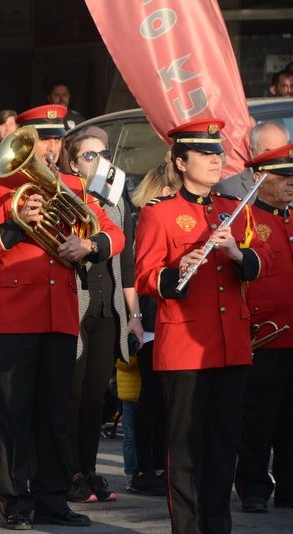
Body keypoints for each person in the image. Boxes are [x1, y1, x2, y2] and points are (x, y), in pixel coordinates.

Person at [0, 104, 125, 529]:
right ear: (25, 141)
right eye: (43, 138)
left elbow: (115, 233)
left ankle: (54, 499)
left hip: (61, 315)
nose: (51, 146)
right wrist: (17, 224)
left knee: (56, 412)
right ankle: (16, 500)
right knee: (16, 413)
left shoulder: (74, 183)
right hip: (15, 315)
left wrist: (89, 246)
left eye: (57, 138)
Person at [134, 118, 270, 534]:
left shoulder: (235, 210)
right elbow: (145, 277)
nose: (216, 160)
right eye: (206, 154)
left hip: (231, 346)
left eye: (218, 153)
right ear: (180, 161)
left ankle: (218, 526)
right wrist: (178, 271)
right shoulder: (160, 213)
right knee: (186, 449)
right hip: (186, 349)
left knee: (222, 446)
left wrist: (235, 253)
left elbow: (261, 265)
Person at [64, 133, 143, 504]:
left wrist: (135, 315)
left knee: (96, 397)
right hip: (75, 307)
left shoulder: (117, 198)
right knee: (73, 395)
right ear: (73, 162)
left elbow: (125, 264)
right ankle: (70, 472)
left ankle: (91, 470)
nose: (98, 160)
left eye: (103, 154)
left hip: (107, 308)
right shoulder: (65, 196)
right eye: (88, 154)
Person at [235, 144, 293, 513]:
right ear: (259, 179)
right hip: (264, 336)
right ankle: (253, 486)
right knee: (258, 418)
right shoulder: (245, 220)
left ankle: (289, 486)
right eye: (283, 176)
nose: (291, 183)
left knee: (291, 419)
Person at [128, 162, 180, 497]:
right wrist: (134, 316)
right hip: (148, 320)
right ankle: (144, 468)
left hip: (165, 318)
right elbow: (133, 273)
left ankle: (160, 465)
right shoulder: (145, 218)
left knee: (164, 401)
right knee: (147, 399)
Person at [213, 121, 290, 199]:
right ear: (252, 151)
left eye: (280, 152)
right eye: (268, 152)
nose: (275, 158)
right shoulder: (227, 189)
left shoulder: (290, 185)